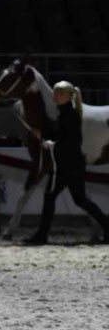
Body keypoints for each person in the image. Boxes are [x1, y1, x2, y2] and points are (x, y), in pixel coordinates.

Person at [24, 81, 109, 245]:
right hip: (68, 165)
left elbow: (72, 142)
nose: (54, 96)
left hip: (68, 165)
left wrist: (52, 145)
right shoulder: (64, 114)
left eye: (57, 93)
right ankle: (42, 235)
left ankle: (41, 236)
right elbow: (59, 134)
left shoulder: (70, 115)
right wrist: (41, 133)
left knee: (69, 198)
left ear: (65, 96)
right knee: (74, 199)